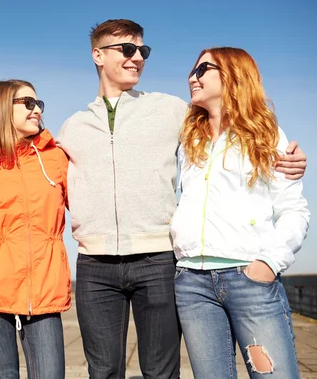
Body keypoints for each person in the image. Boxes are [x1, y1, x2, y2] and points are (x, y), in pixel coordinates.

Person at [56, 19, 308, 379]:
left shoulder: (174, 111)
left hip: (166, 261)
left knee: (165, 371)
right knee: (103, 370)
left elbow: (246, 129)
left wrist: (291, 159)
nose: (137, 57)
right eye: (127, 49)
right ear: (98, 55)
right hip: (121, 268)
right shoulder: (74, 126)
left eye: (143, 50)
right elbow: (35, 157)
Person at [171, 47, 310, 378]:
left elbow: (294, 210)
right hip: (192, 283)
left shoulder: (266, 136)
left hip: (249, 280)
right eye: (192, 70)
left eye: (203, 69)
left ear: (233, 75)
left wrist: (268, 264)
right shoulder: (188, 139)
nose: (193, 76)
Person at [0, 79, 71, 379]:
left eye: (38, 104)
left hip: (44, 288)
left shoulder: (56, 158)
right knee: (3, 375)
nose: (37, 110)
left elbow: (83, 209)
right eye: (27, 103)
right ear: (3, 109)